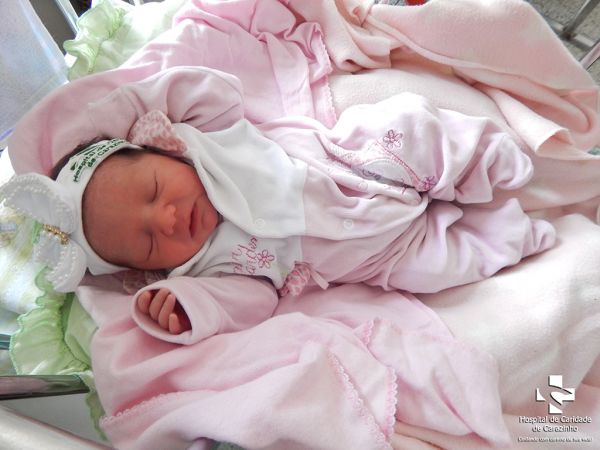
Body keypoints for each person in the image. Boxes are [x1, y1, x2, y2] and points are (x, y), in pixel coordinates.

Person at [1, 67, 555, 339]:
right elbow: (251, 305)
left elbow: (211, 86)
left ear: (160, 151)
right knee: (435, 267)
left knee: (405, 126)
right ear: (149, 269)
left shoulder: (203, 140)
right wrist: (188, 306)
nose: (166, 218)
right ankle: (514, 235)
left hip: (355, 165)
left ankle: (484, 160)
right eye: (147, 241)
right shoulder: (204, 270)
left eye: (153, 190)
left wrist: (131, 110)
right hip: (376, 254)